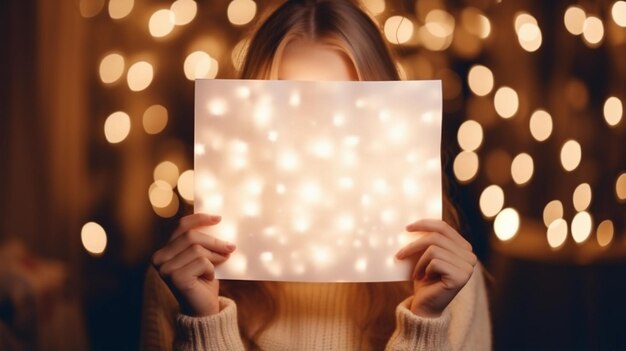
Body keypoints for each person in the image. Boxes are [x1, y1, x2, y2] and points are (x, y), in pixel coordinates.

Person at [141, 1, 491, 350]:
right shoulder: (185, 276)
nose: (315, 140)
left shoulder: (448, 281)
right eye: (286, 105)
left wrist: (426, 322)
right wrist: (204, 322)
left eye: (344, 109)